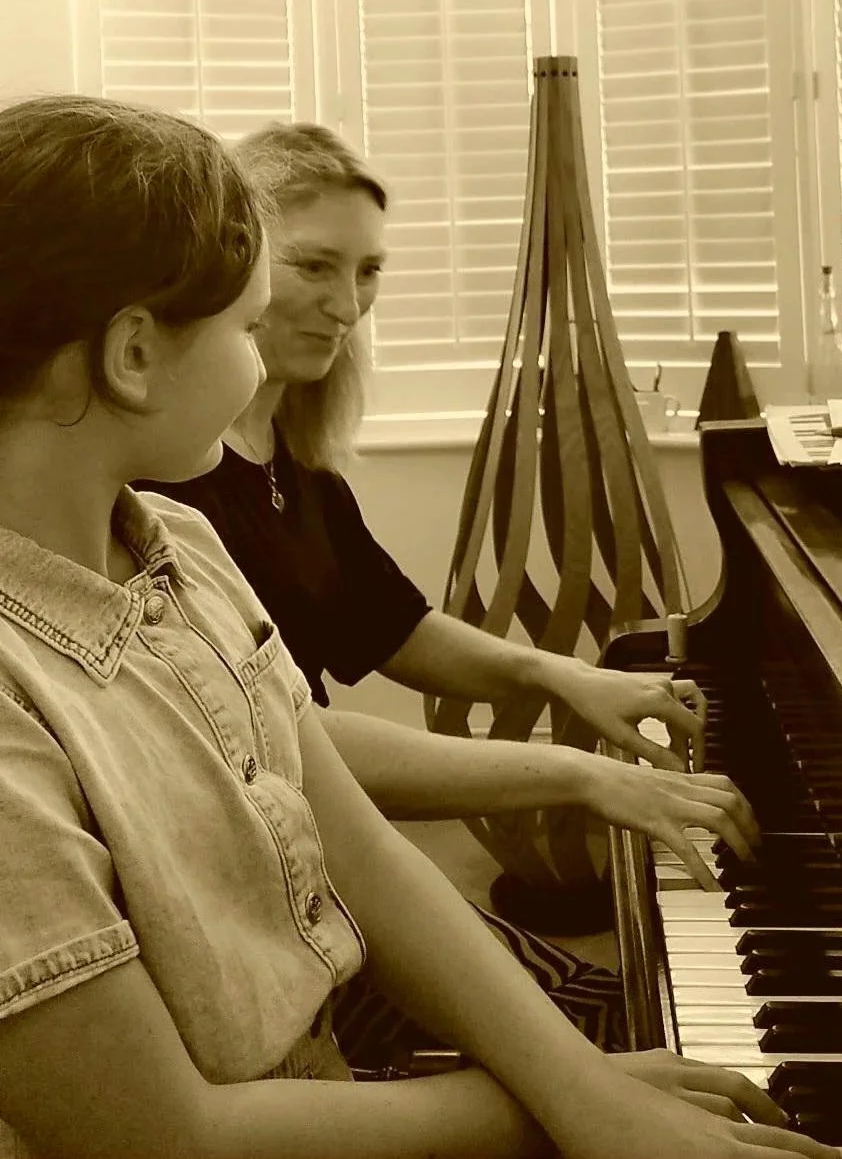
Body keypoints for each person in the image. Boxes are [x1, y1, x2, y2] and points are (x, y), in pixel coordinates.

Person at [0, 93, 838, 1159]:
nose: (307, 333)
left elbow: (360, 849)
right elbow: (166, 1134)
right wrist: (563, 1105)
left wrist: (581, 1084)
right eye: (247, 326)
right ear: (133, 357)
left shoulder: (182, 546)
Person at [136, 120, 759, 1060]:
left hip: (329, 848)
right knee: (604, 1031)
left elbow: (396, 628)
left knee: (614, 1011)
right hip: (262, 884)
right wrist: (581, 774)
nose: (348, 305)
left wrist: (564, 678)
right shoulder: (168, 485)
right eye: (314, 266)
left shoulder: (297, 463)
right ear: (235, 266)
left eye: (369, 272)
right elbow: (278, 735)